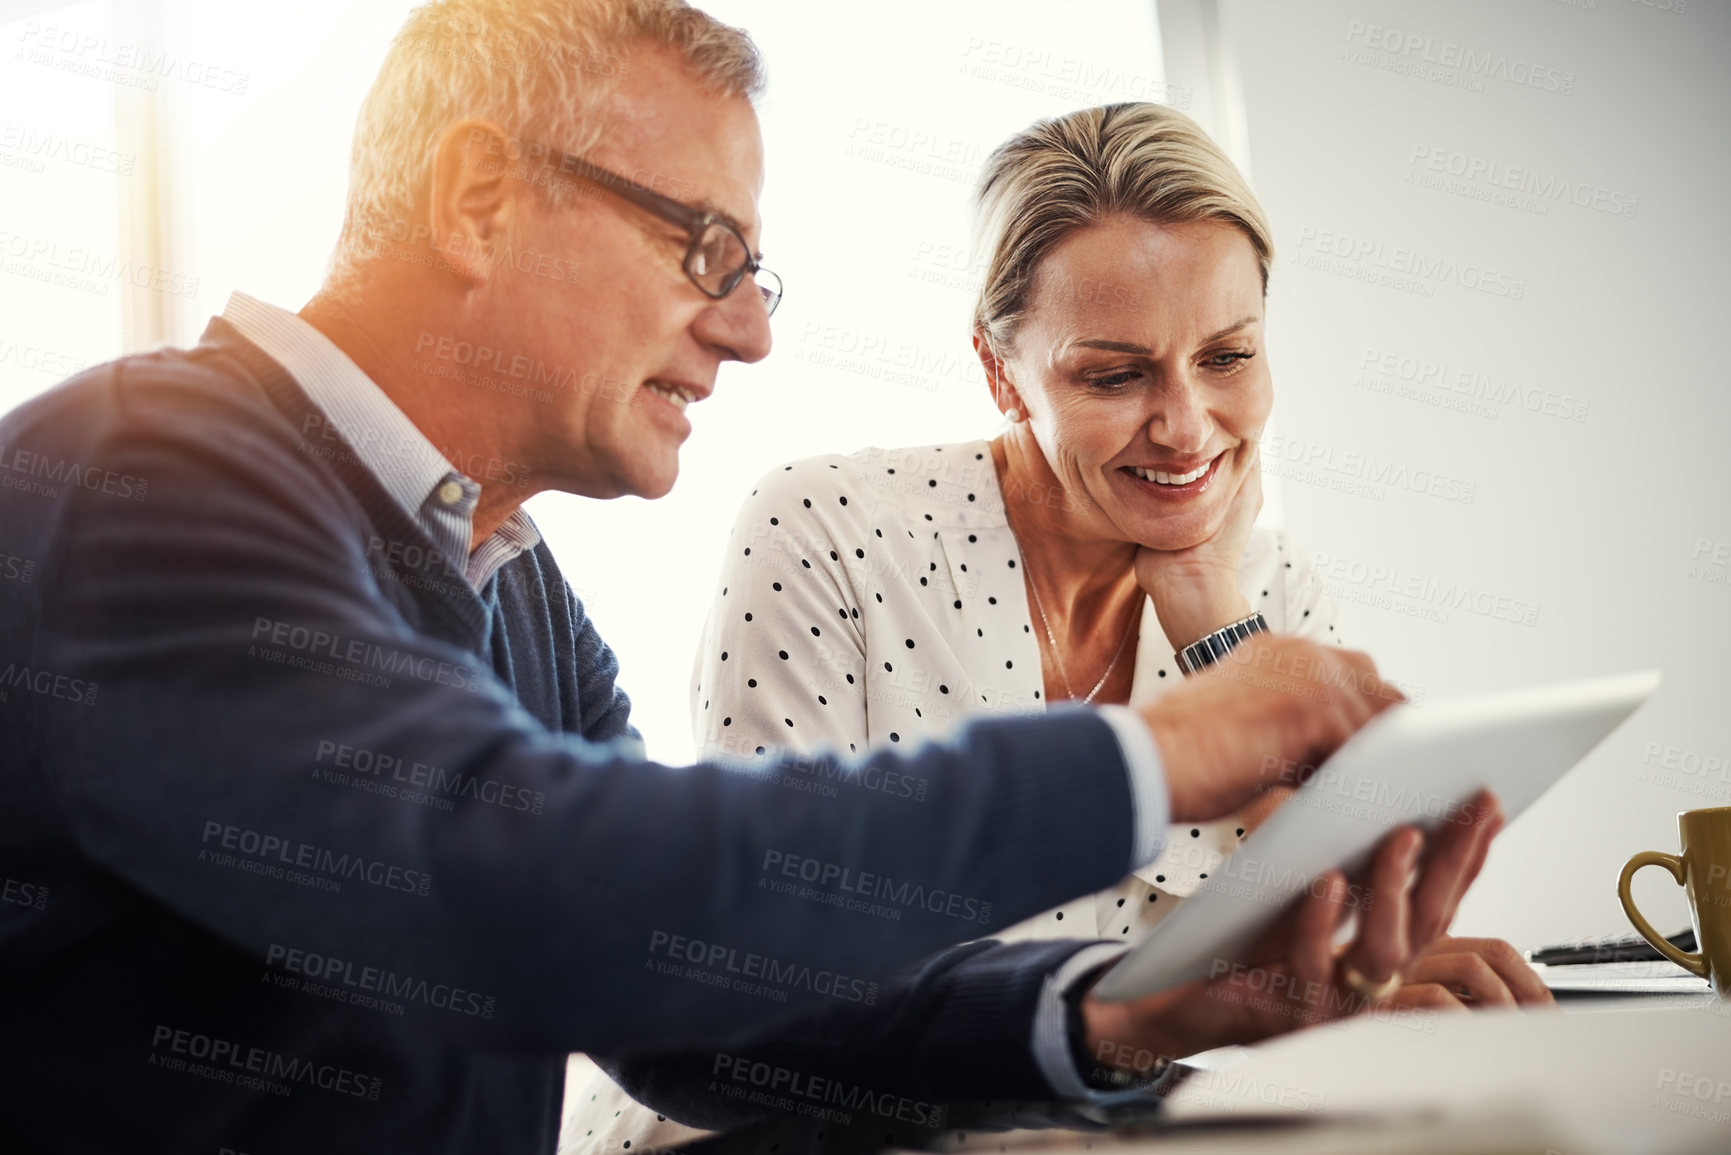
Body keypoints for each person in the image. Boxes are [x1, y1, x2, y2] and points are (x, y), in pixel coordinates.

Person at [0, 5, 1493, 1154]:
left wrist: (1124, 1007)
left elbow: (673, 988)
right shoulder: (151, 474)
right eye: (701, 244)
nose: (745, 332)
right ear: (474, 198)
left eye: (750, 270)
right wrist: (1159, 747)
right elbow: (539, 889)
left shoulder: (513, 583)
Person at [565, 102, 1545, 1153]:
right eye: (1114, 375)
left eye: (1227, 357)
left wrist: (1218, 621)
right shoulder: (830, 533)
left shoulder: (1269, 585)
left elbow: (1344, 928)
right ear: (1000, 373)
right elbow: (773, 986)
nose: (1183, 427)